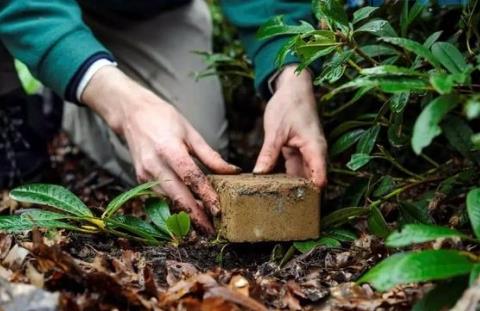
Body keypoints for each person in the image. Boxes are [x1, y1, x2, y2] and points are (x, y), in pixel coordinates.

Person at [0, 0, 328, 234]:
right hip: (39, 8)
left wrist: (290, 74)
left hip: (150, 12)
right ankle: (24, 100)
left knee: (187, 165)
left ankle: (69, 99)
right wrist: (124, 107)